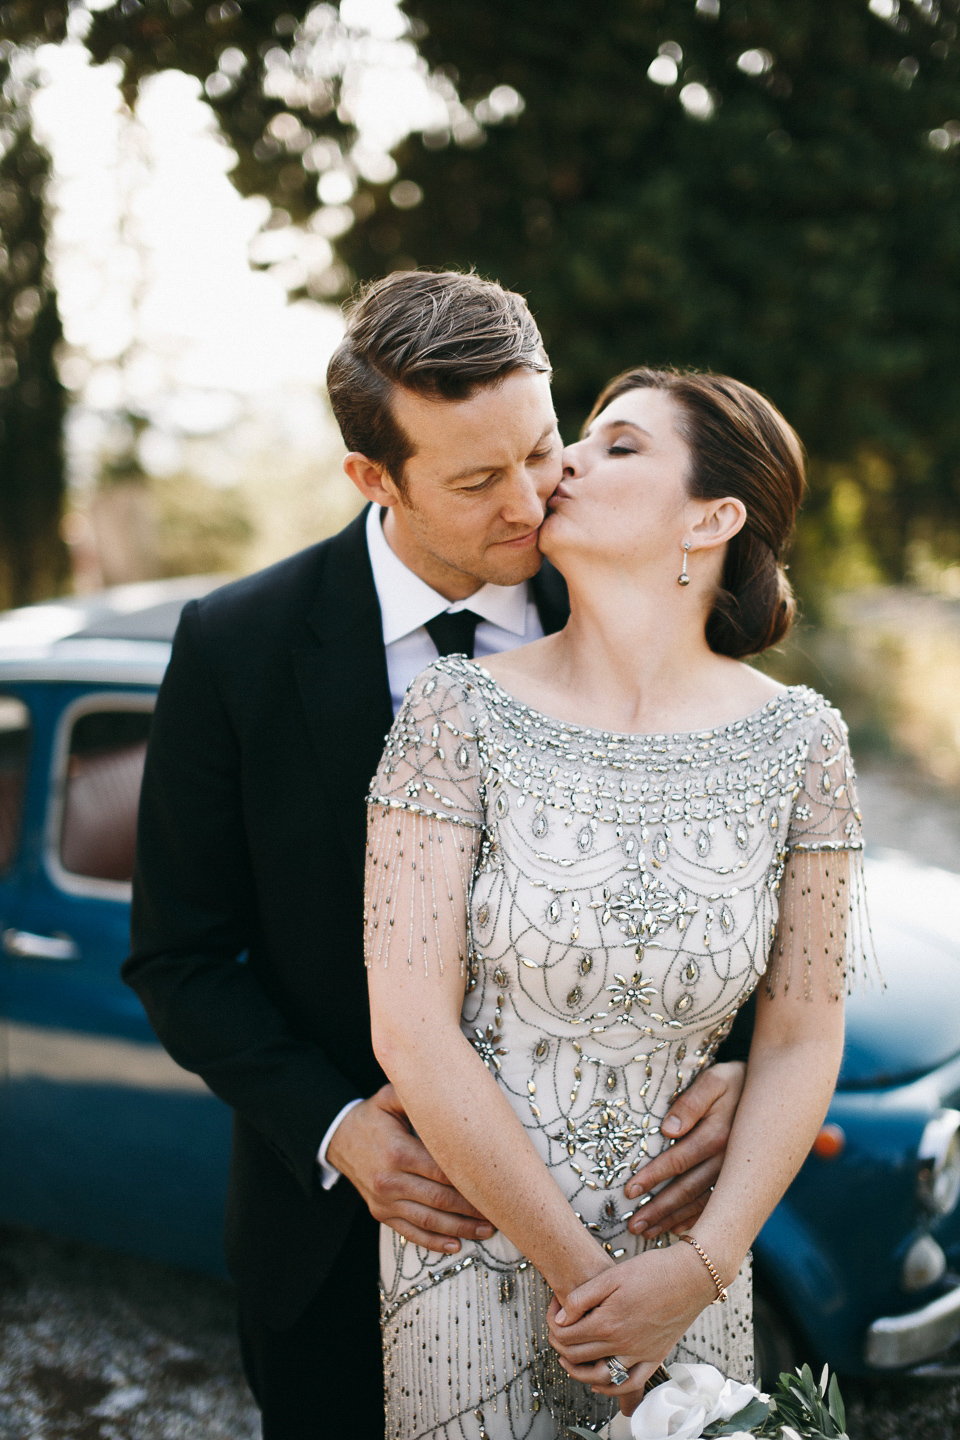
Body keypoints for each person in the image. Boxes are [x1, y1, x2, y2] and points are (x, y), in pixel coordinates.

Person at [123, 273, 752, 1439]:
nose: (529, 502)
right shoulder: (238, 649)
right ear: (374, 478)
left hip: (627, 1226)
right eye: (475, 480)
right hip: (349, 1246)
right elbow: (181, 959)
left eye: (541, 448)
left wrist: (739, 1061)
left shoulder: (638, 595)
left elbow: (737, 865)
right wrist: (336, 1129)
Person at [365, 365, 871, 1438]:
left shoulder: (803, 744)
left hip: (689, 1254)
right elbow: (408, 1026)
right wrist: (594, 1289)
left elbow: (801, 1038)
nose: (564, 465)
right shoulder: (454, 713)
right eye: (578, 440)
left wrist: (697, 1268)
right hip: (475, 1249)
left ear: (714, 516)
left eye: (618, 445)